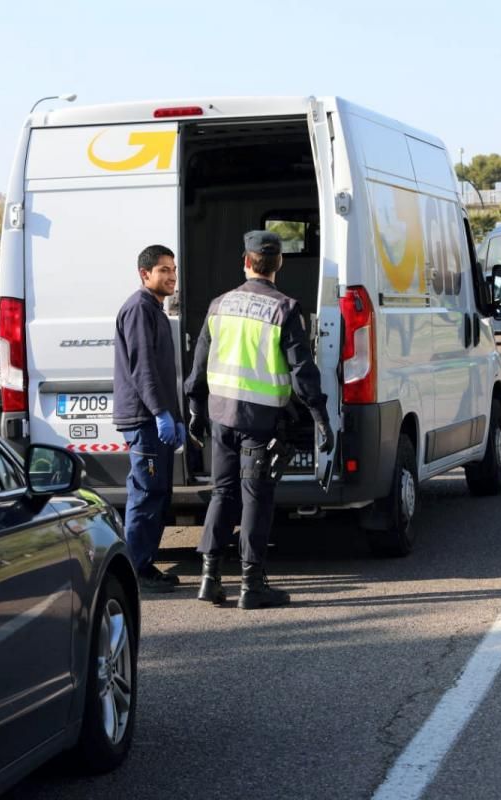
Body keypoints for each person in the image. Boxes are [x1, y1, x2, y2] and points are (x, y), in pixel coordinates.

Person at [185, 230, 334, 609]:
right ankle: (252, 586)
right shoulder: (284, 309)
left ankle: (209, 578)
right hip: (260, 422)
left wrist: (195, 409)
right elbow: (303, 371)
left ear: (246, 262)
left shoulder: (220, 305)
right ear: (278, 264)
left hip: (222, 416)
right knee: (256, 498)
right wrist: (319, 417)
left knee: (222, 493)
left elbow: (198, 366)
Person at [112, 244, 185, 593]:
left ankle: (144, 563)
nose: (171, 276)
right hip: (144, 420)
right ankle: (137, 569)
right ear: (144, 274)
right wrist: (160, 413)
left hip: (155, 418)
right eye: (163, 270)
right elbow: (143, 370)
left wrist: (177, 415)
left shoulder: (154, 309)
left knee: (157, 493)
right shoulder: (140, 309)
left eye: (173, 269)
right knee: (145, 493)